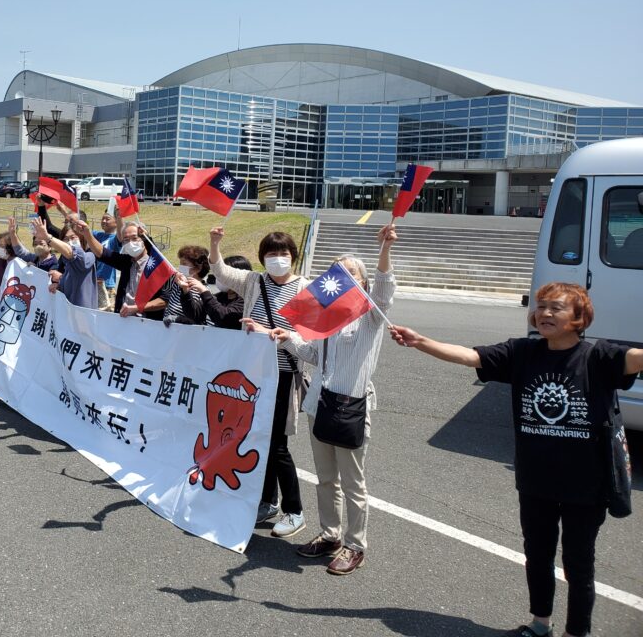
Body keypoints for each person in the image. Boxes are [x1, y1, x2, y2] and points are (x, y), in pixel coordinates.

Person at [390, 283, 643, 637]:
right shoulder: (522, 352)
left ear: (579, 317)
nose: (545, 313)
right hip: (535, 481)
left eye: (556, 307)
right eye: (541, 307)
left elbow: (637, 358)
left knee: (578, 563)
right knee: (537, 556)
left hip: (586, 486)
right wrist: (421, 341)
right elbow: (469, 357)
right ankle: (540, 624)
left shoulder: (599, 356)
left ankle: (576, 632)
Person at [264, 225, 397, 576]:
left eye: (351, 273)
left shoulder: (370, 315)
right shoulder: (327, 318)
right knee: (325, 478)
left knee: (353, 482)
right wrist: (286, 337)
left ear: (362, 282)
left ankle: (355, 545)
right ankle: (330, 534)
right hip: (320, 405)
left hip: (351, 407)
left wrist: (384, 250)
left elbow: (384, 291)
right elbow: (313, 355)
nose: (343, 278)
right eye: (337, 272)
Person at [211, 226, 308, 538]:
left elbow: (307, 338)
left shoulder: (305, 289)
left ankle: (294, 511)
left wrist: (271, 333)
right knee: (258, 437)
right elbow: (220, 271)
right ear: (262, 258)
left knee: (277, 444)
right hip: (254, 376)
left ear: (293, 256)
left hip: (283, 374)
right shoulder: (255, 281)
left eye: (283, 253)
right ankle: (268, 501)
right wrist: (215, 243)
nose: (278, 258)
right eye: (271, 253)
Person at [82, 213, 165, 319]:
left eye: (134, 238)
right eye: (126, 239)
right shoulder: (127, 262)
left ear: (144, 238)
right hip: (123, 321)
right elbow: (102, 253)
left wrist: (137, 308)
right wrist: (87, 233)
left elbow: (164, 300)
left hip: (148, 323)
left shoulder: (157, 265)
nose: (130, 243)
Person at [39, 216, 97, 308]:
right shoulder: (67, 264)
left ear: (81, 239)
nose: (69, 242)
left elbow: (75, 255)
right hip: (68, 312)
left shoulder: (90, 256)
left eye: (73, 237)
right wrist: (59, 286)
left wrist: (47, 238)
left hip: (83, 314)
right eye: (66, 239)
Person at [183, 255, 252, 328]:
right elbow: (194, 314)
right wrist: (185, 291)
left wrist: (204, 291)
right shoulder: (219, 297)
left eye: (223, 274)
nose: (219, 277)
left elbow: (223, 318)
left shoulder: (247, 302)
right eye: (219, 274)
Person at [162, 244, 209, 324]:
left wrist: (177, 319)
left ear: (197, 268)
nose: (180, 267)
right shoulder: (176, 284)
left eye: (184, 264)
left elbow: (196, 318)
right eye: (180, 263)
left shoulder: (204, 292)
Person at [93, 212, 120, 309]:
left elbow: (121, 235)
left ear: (116, 222)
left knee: (107, 312)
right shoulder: (98, 235)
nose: (104, 221)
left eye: (107, 219)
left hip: (107, 285)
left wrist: (120, 218)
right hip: (94, 283)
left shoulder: (115, 239)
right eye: (102, 219)